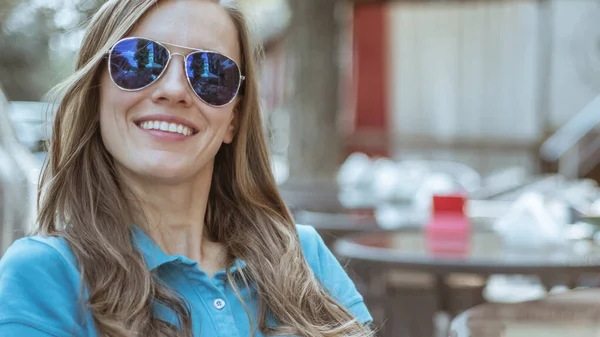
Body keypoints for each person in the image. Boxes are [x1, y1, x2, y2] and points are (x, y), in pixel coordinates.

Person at [0, 0, 374, 336]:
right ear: (97, 91)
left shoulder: (303, 256)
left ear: (233, 119)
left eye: (211, 72)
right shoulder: (44, 275)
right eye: (139, 59)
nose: (175, 89)